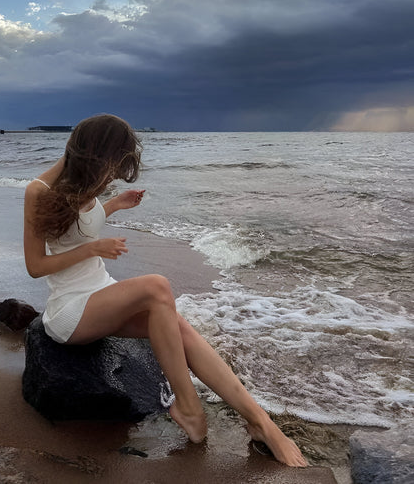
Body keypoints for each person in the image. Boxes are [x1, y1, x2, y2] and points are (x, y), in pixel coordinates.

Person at [23, 113, 307, 467]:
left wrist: (113, 205)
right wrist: (92, 249)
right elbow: (35, 267)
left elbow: (76, 226)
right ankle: (188, 406)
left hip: (100, 295)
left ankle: (260, 421)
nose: (113, 172)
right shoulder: (39, 191)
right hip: (70, 312)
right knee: (157, 286)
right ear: (97, 152)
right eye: (113, 162)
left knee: (178, 325)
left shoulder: (88, 186)